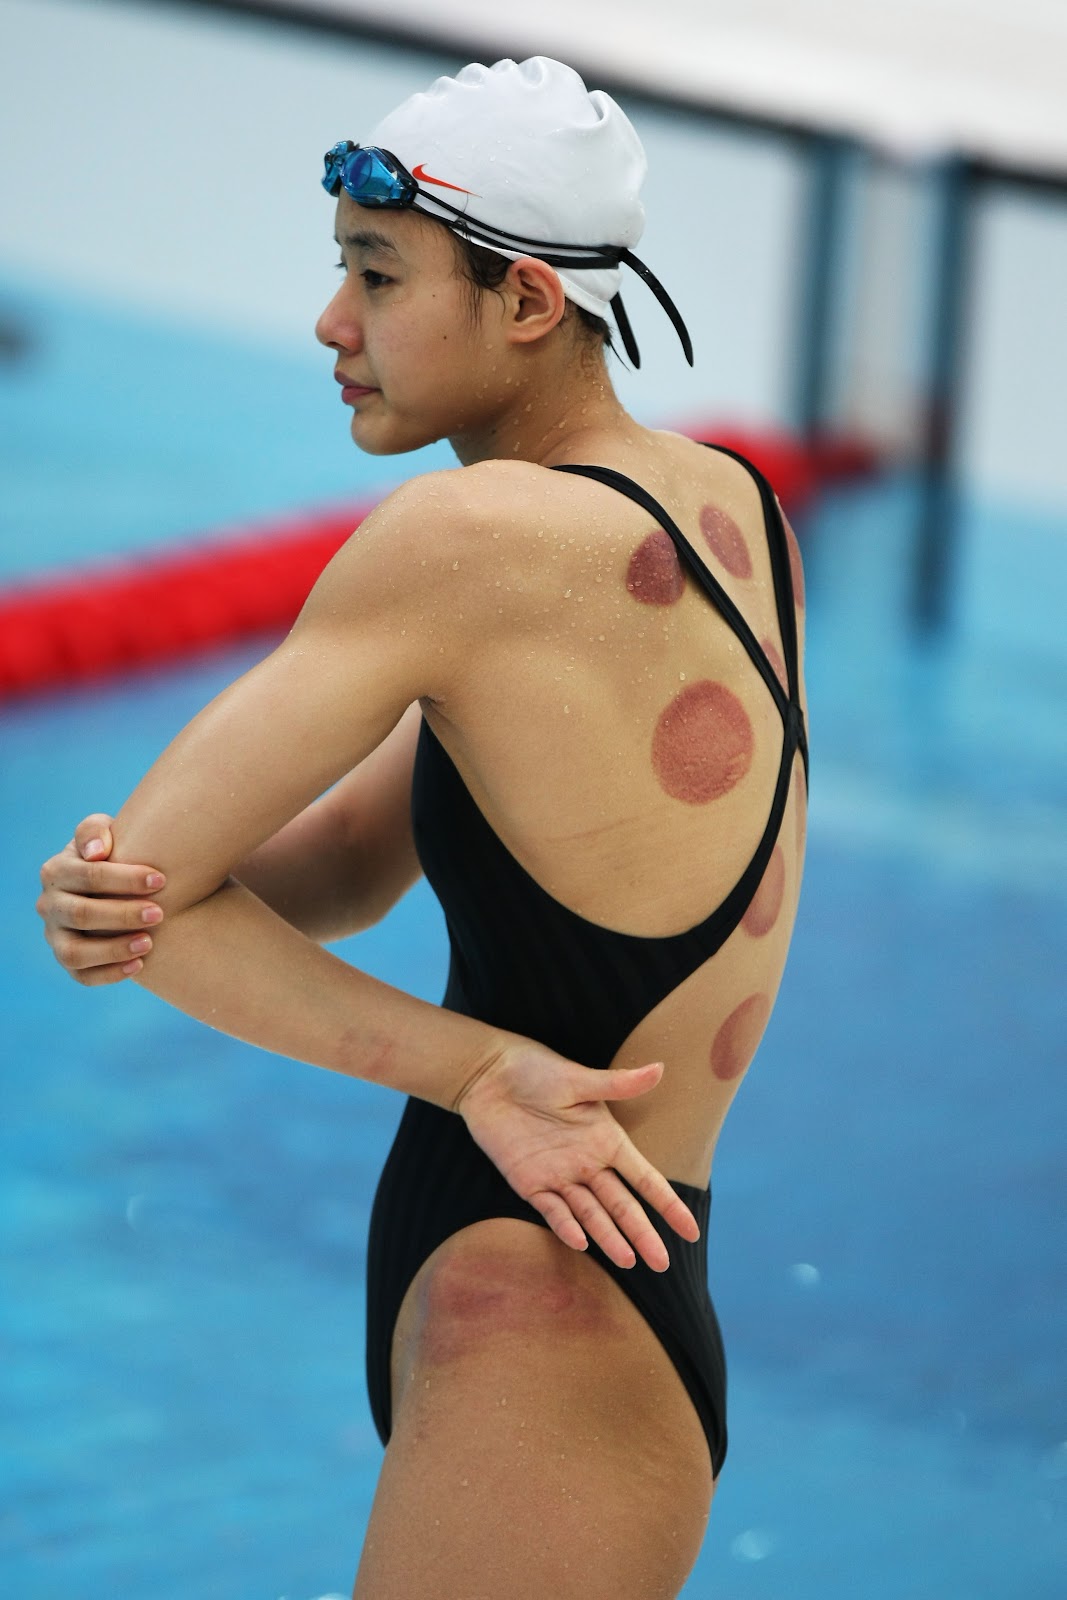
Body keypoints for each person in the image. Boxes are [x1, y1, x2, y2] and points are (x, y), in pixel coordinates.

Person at [36, 56, 808, 1600]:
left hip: (542, 1302)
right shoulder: (729, 504)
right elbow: (338, 866)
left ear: (527, 302)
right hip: (585, 1271)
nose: (335, 326)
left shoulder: (473, 538)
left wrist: (480, 1076)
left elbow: (150, 920)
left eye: (376, 275)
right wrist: (125, 889)